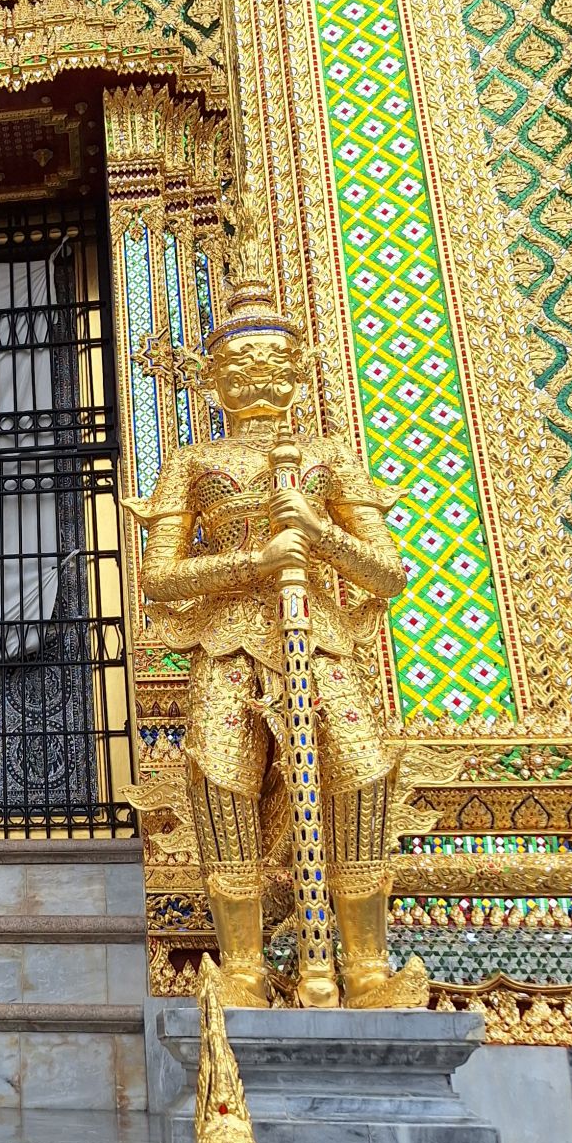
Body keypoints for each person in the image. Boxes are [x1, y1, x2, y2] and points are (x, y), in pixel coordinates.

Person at [131, 205, 423, 1010]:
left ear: (296, 371)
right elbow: (159, 577)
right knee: (220, 783)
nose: (258, 375)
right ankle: (245, 966)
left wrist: (320, 536)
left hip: (318, 640)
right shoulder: (193, 461)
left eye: (273, 361)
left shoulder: (328, 456)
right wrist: (252, 562)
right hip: (230, 644)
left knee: (361, 775)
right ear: (213, 377)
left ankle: (365, 964)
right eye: (240, 362)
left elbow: (389, 575)